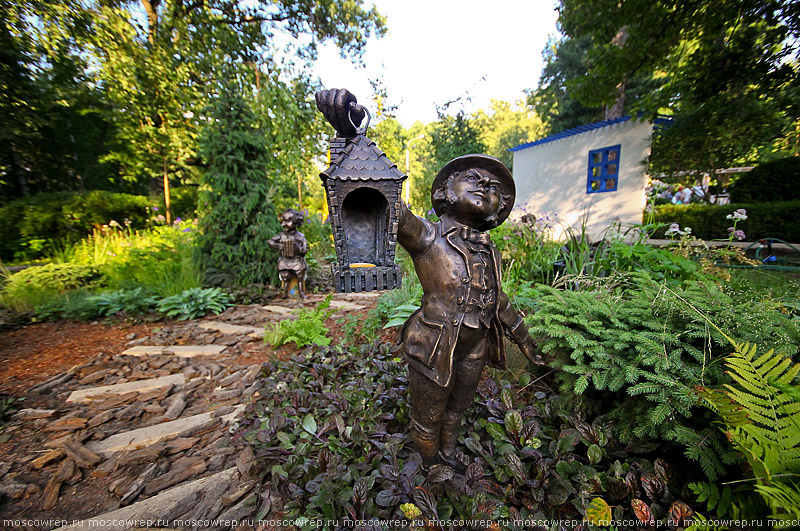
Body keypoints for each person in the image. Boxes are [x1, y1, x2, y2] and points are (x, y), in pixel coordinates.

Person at [316, 89, 542, 470]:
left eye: (494, 187)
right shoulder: (427, 236)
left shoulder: (491, 250)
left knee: (459, 405)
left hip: (474, 345)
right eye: (473, 178)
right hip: (434, 342)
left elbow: (498, 301)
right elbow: (386, 201)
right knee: (431, 409)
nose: (485, 185)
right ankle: (429, 465)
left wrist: (527, 340)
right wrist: (349, 139)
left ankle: (448, 454)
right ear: (443, 193)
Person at [268, 208, 309, 299]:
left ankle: (301, 292)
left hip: (296, 260)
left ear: (295, 222)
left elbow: (305, 249)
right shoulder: (281, 235)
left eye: (287, 221)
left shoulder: (300, 237)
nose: (283, 224)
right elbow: (270, 241)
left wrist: (298, 248)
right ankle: (284, 292)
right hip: (285, 260)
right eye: (283, 221)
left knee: (300, 274)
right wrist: (278, 245)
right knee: (285, 276)